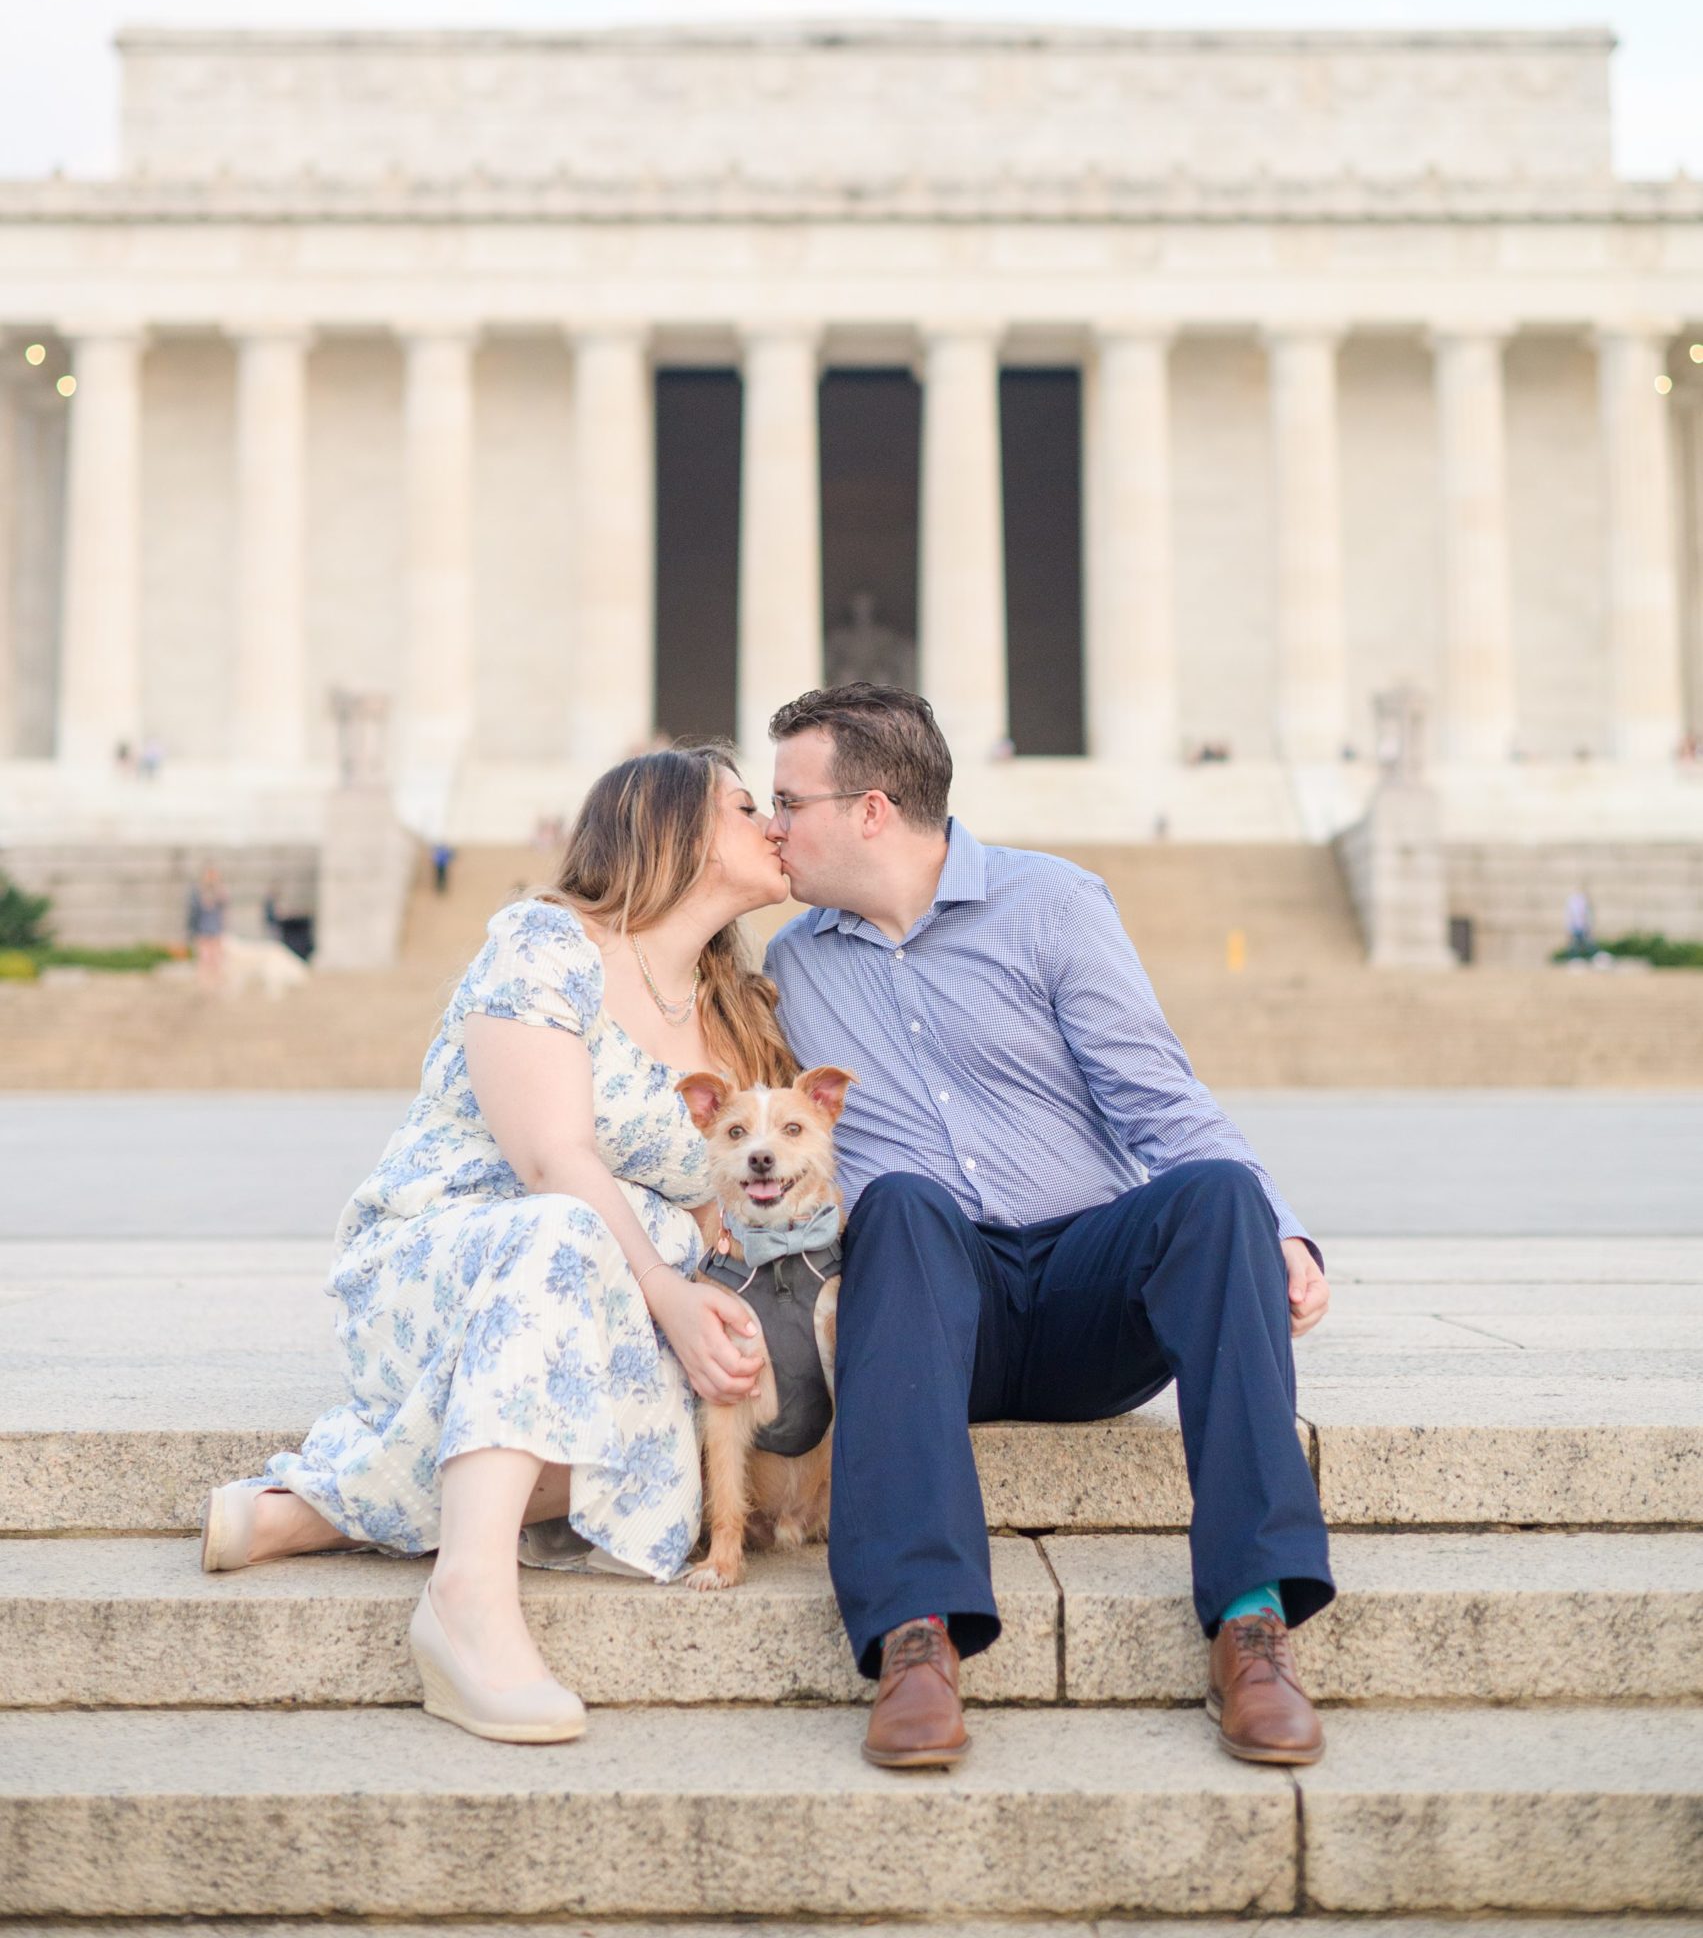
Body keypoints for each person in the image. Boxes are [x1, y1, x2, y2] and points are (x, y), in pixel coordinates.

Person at [763, 682, 1334, 1773]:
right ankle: (914, 1635)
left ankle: (1252, 1624)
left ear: (871, 809)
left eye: (788, 800)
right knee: (902, 1204)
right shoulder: (792, 967)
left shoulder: (1054, 904)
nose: (770, 824)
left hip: (1083, 1291)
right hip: (935, 1306)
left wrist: (1284, 1232)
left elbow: (1159, 1100)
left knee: (1217, 1191)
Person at [197, 747, 790, 1744]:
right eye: (744, 806)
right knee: (560, 1231)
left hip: (607, 1310)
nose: (771, 823)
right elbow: (551, 1157)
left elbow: (726, 1208)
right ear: (674, 828)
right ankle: (465, 1603)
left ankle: (324, 1506)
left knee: (688, 1420)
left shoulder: (734, 1019)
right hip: (443, 1271)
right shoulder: (544, 942)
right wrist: (667, 1287)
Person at [185, 865, 228, 990]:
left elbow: (224, 908)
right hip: (202, 930)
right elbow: (193, 913)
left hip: (215, 931)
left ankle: (215, 983)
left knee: (216, 959)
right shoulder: (197, 893)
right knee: (204, 959)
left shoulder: (220, 892)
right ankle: (204, 984)